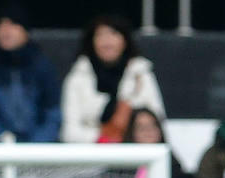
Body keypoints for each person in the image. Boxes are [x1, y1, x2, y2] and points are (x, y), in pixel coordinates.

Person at [60, 13, 163, 144]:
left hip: (134, 155)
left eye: (113, 33)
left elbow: (157, 122)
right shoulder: (78, 77)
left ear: (125, 40)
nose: (107, 41)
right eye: (100, 35)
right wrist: (103, 139)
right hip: (90, 156)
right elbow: (69, 132)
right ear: (91, 41)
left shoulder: (140, 74)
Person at [0, 2, 61, 143]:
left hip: (37, 151)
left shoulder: (41, 65)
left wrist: (36, 146)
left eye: (12, 24)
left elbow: (52, 112)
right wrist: (2, 140)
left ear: (25, 30)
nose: (6, 30)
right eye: (0, 25)